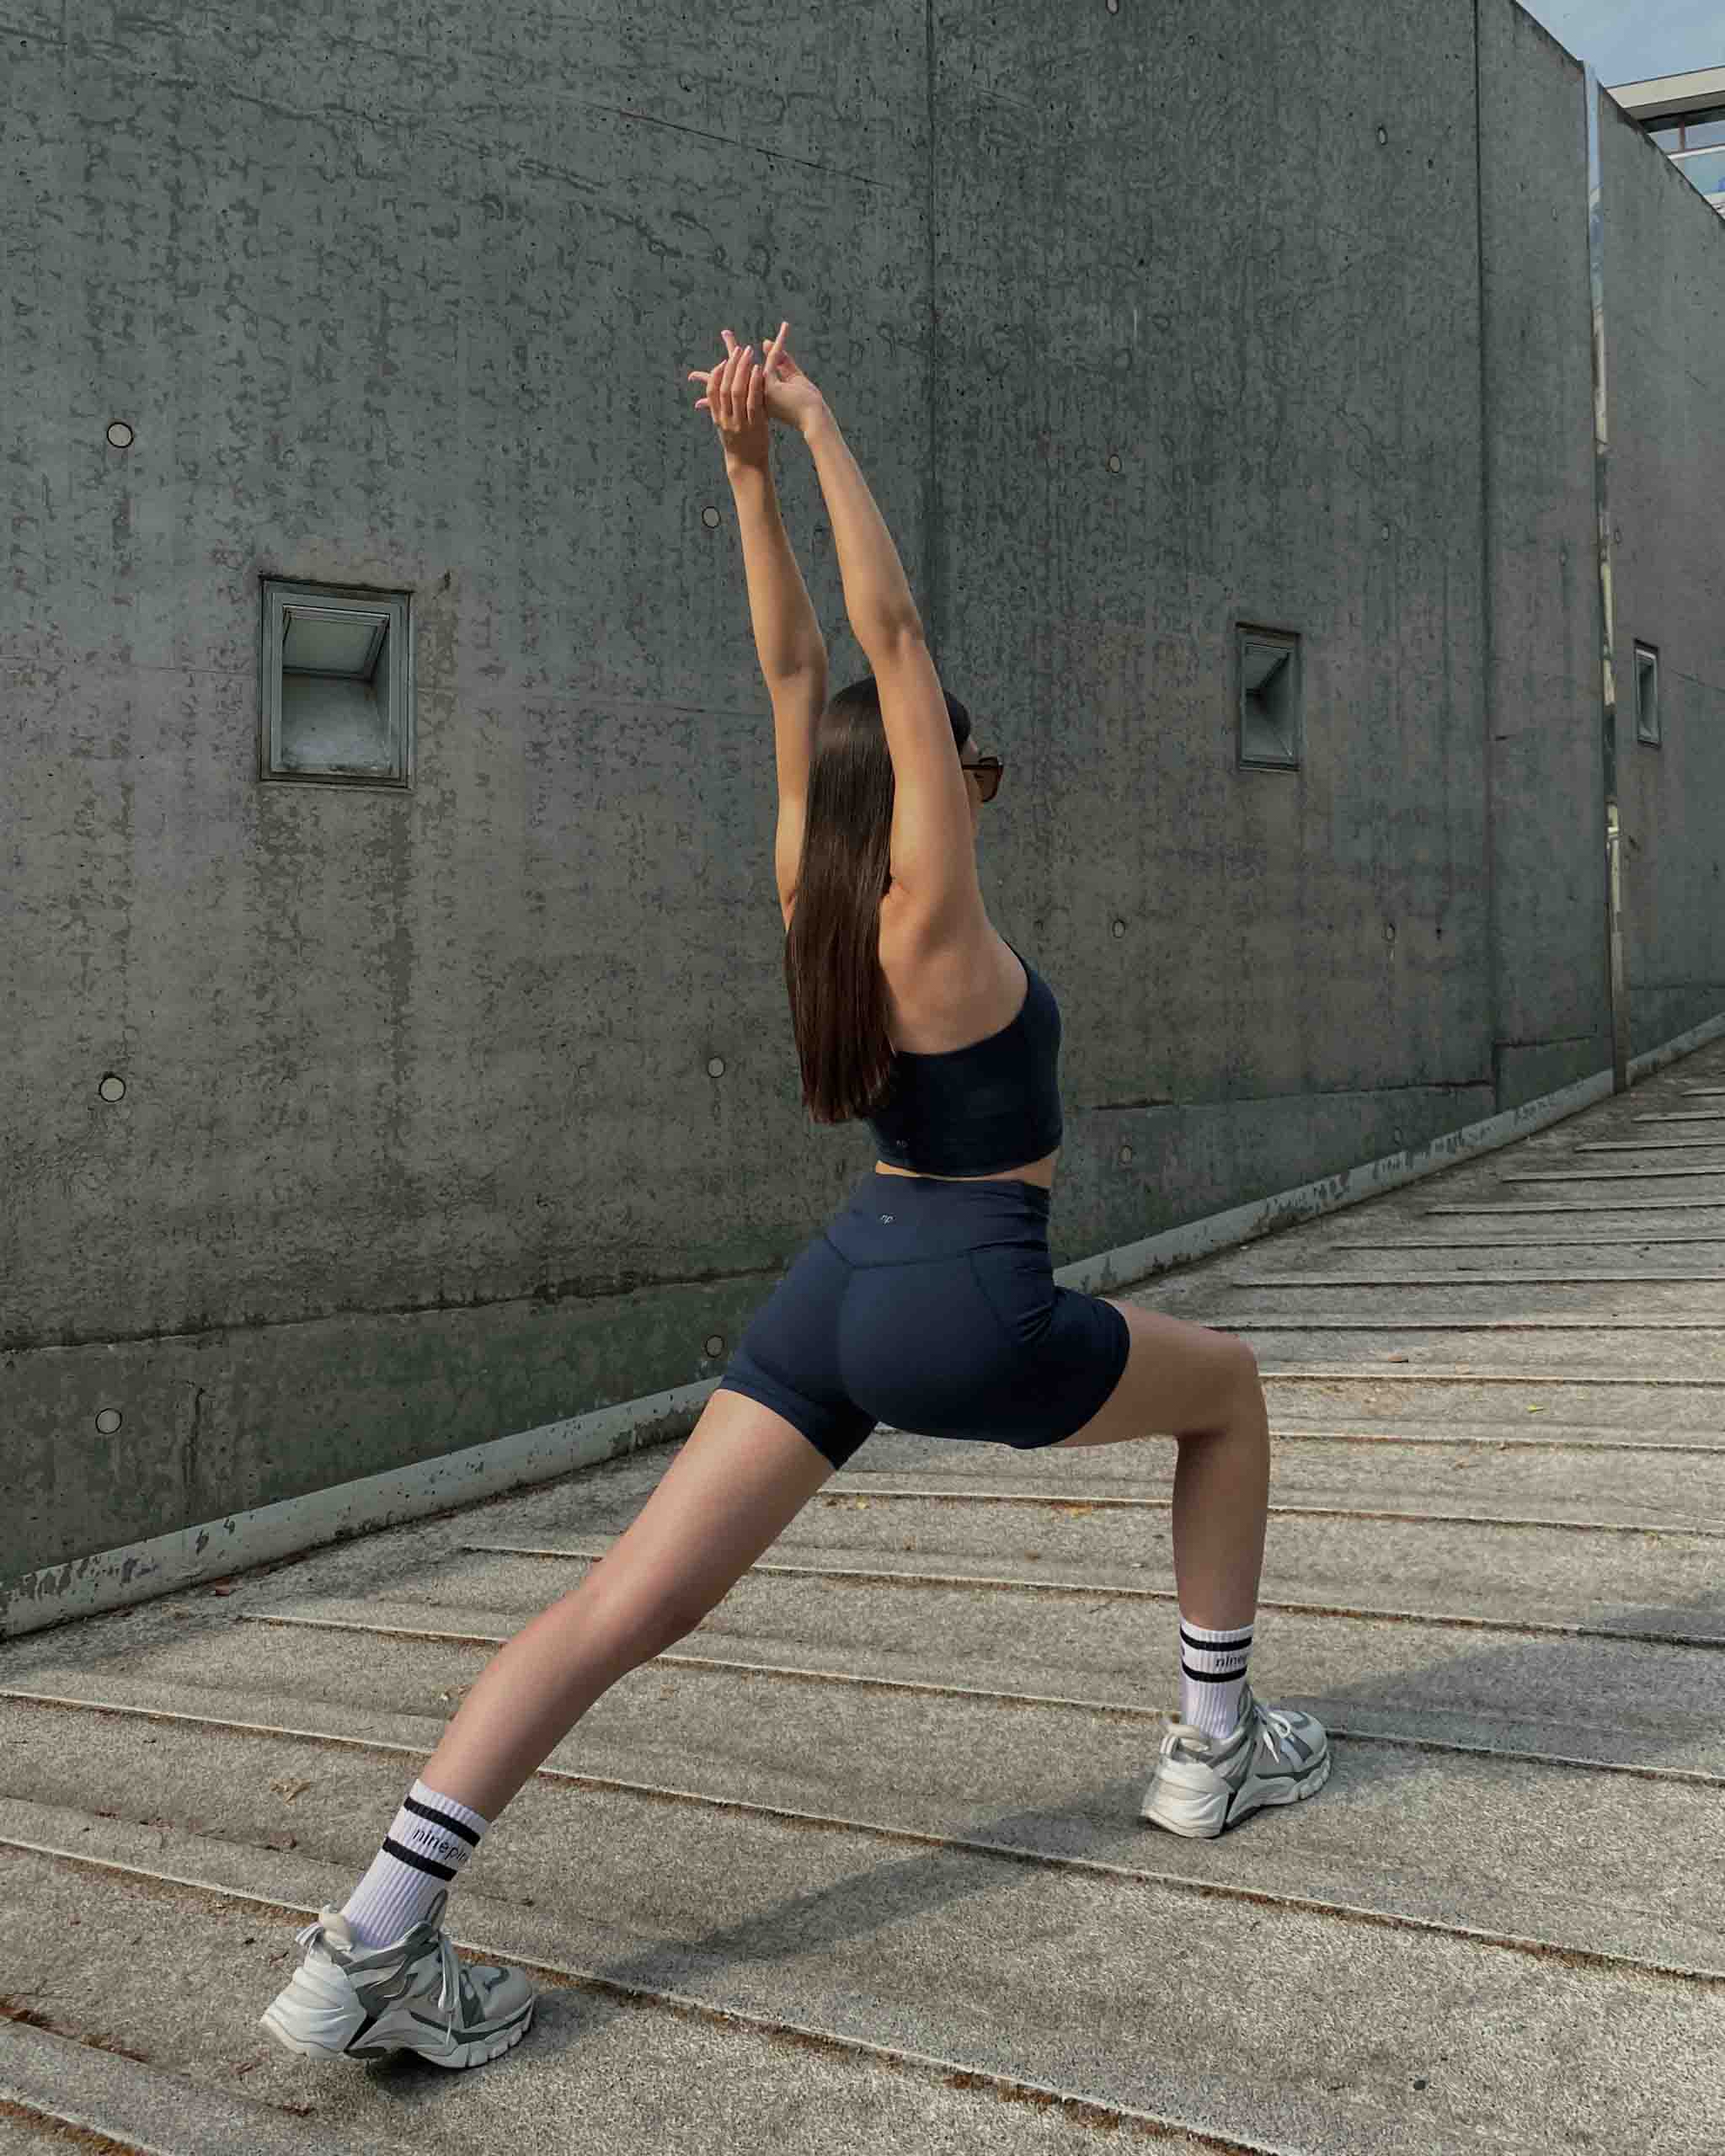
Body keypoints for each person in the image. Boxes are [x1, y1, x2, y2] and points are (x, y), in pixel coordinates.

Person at [260, 318, 1329, 2071]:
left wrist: (738, 465)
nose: (967, 792)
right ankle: (1213, 1745)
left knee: (623, 1599)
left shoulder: (808, 890)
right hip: (966, 1289)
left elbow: (791, 673)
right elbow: (881, 637)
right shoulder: (934, 914)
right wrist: (818, 423)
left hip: (845, 1275)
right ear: (929, 786)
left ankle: (367, 1932)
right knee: (1225, 1390)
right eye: (956, 772)